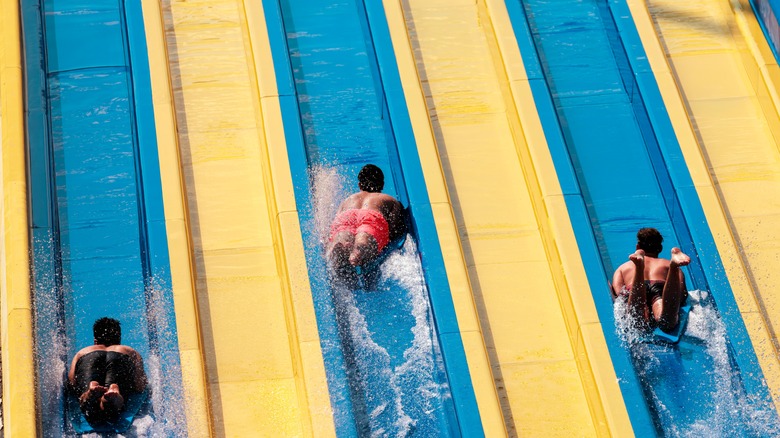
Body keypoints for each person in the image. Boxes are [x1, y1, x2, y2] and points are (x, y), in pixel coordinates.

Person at [68, 317, 148, 425]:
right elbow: (140, 385)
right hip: (120, 356)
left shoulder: (81, 353)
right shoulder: (129, 351)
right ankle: (114, 394)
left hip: (89, 357)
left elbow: (72, 383)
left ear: (95, 340)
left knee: (86, 405)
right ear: (119, 339)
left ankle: (89, 393)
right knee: (113, 409)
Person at [326, 164, 405, 272]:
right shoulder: (389, 200)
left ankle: (342, 245)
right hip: (370, 218)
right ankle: (358, 252)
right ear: (382, 185)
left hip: (347, 217)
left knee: (342, 236)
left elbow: (334, 225)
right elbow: (393, 229)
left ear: (359, 185)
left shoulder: (348, 199)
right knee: (363, 242)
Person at [611, 228, 691, 331]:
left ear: (638, 247)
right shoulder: (665, 263)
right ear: (660, 248)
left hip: (635, 288)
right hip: (660, 287)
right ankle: (673, 266)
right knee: (666, 322)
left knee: (637, 323)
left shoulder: (623, 268)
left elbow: (619, 294)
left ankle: (639, 268)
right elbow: (681, 294)